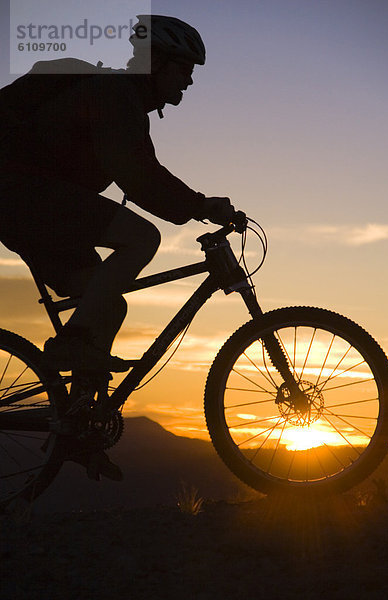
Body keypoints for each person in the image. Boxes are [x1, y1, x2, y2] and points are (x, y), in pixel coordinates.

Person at [0, 15, 235, 479]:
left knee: (108, 307)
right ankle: (70, 345)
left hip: (33, 209)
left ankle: (77, 426)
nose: (189, 79)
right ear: (157, 63)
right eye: (183, 67)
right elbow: (137, 174)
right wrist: (199, 205)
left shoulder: (124, 102)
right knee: (142, 236)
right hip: (23, 194)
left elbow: (140, 167)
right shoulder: (115, 95)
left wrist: (193, 203)